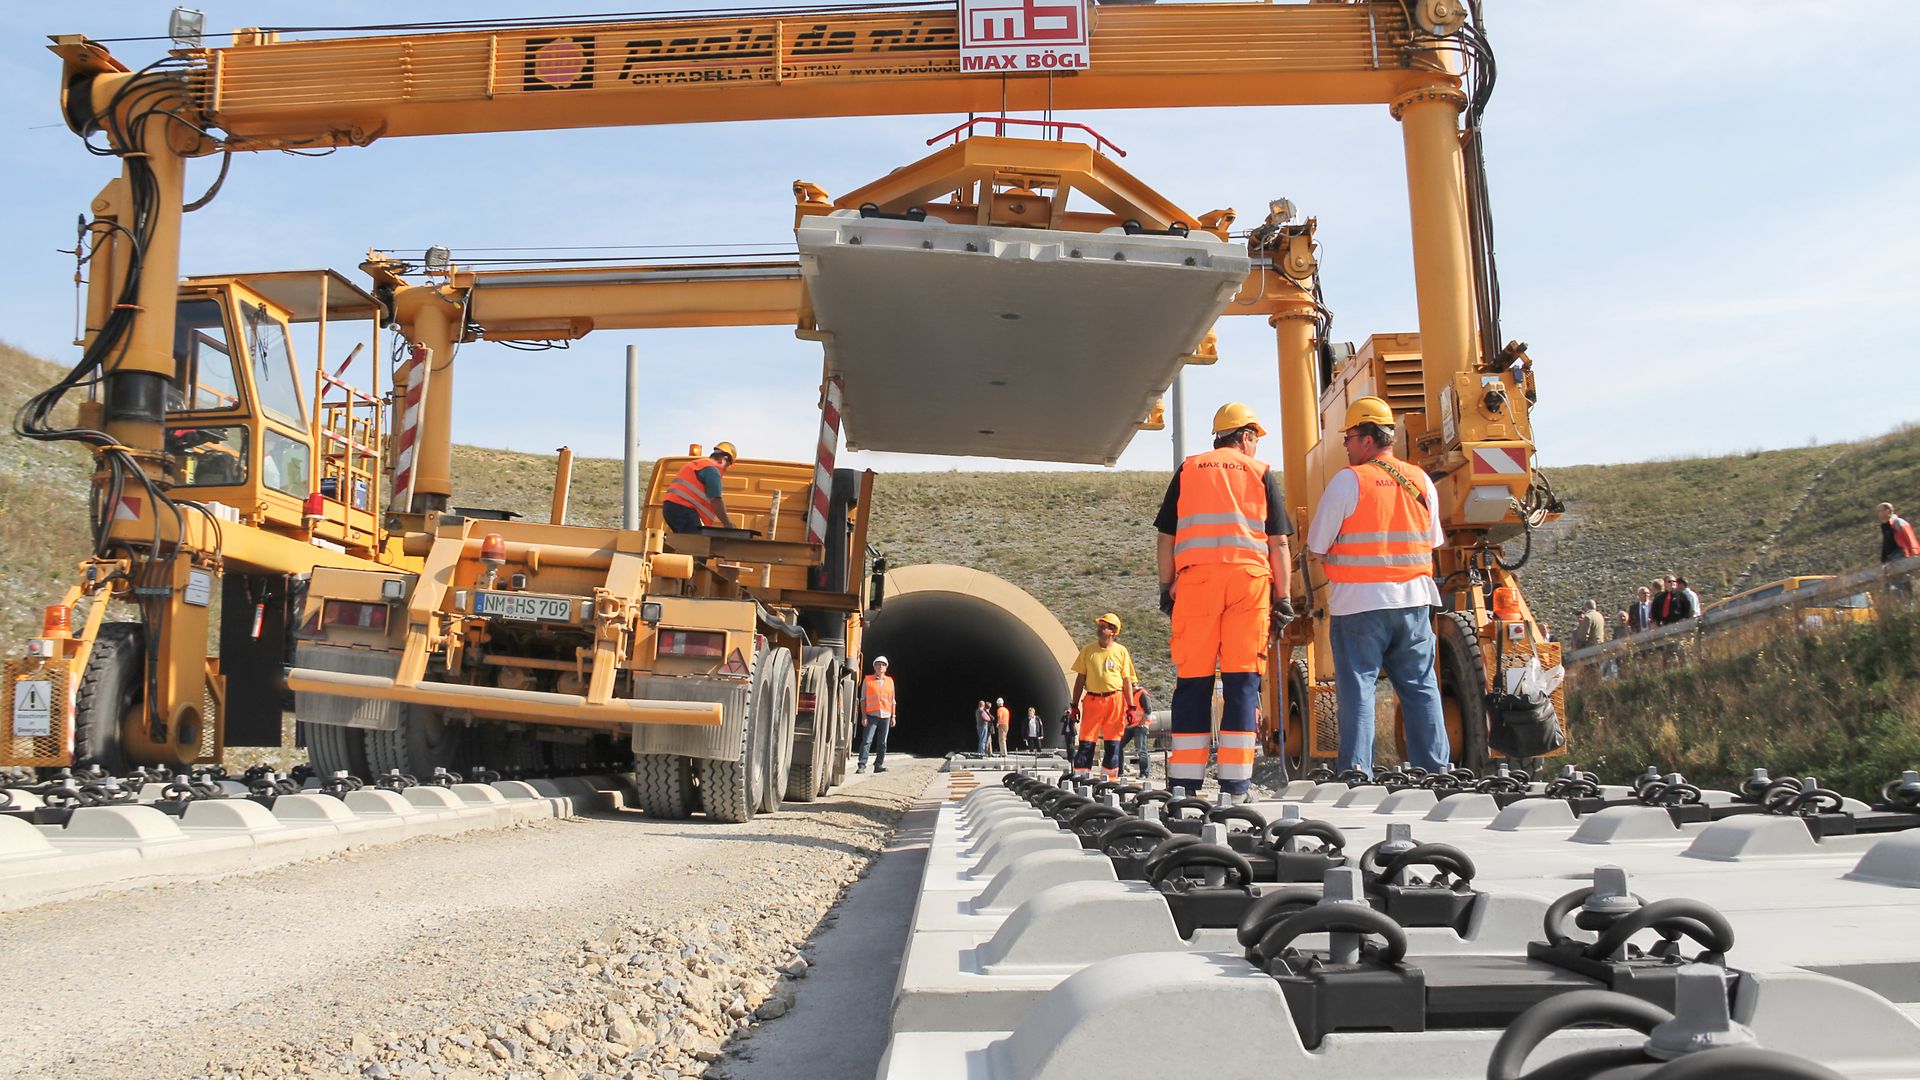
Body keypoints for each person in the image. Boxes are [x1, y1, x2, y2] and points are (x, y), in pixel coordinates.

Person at [1155, 403, 1295, 798]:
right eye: (1255, 439)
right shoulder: (1260, 472)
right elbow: (1278, 542)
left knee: (1193, 683)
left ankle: (1184, 785)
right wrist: (1282, 597)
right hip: (1248, 586)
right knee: (1241, 682)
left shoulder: (1189, 469)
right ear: (1246, 435)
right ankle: (1235, 786)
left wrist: (1167, 588)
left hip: (1196, 584)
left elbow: (1166, 538)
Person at [1305, 396, 1449, 777]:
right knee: (1420, 686)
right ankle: (1435, 770)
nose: (1347, 445)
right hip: (1415, 603)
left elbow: (1317, 544)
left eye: (1349, 437)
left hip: (1360, 604)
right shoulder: (1422, 481)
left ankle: (1357, 771)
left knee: (1359, 689)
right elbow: (1432, 540)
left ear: (1367, 439)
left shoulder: (1350, 481)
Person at [1069, 613, 1138, 783]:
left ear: (1113, 631)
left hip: (1115, 700)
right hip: (1093, 700)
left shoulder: (1121, 652)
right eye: (1099, 626)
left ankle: (1109, 780)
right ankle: (1080, 778)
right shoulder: (1088, 650)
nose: (1099, 630)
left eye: (1103, 627)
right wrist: (1074, 705)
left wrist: (1131, 707)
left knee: (1113, 743)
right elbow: (1080, 679)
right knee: (1086, 741)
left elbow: (1127, 681)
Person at [661, 441, 738, 533]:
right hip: (684, 510)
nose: (726, 469)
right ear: (723, 459)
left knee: (686, 543)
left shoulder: (699, 464)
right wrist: (727, 524)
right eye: (728, 466)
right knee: (696, 544)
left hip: (671, 508)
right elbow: (716, 500)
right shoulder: (712, 470)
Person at [855, 655, 896, 774]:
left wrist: (893, 716)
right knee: (867, 740)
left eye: (883, 665)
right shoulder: (868, 680)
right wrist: (863, 717)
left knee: (882, 742)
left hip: (886, 715)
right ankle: (862, 765)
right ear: (874, 667)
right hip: (872, 715)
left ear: (886, 668)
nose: (880, 666)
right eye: (878, 664)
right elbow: (863, 700)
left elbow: (893, 700)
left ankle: (878, 764)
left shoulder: (890, 681)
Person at [1119, 684, 1153, 779]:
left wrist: (1141, 722)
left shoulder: (1142, 694)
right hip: (1129, 726)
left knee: (1141, 750)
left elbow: (1148, 710)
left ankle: (1144, 773)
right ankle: (1119, 771)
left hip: (1140, 726)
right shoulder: (1127, 695)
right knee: (1119, 746)